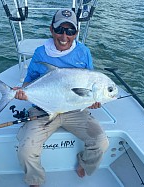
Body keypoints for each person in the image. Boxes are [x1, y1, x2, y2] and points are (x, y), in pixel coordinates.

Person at [15, 9, 109, 187]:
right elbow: (28, 84)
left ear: (76, 33)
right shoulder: (41, 53)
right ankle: (35, 181)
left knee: (101, 142)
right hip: (44, 109)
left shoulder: (83, 52)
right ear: (52, 29)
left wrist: (94, 100)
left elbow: (90, 83)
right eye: (60, 30)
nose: (64, 36)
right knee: (26, 151)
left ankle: (84, 163)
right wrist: (21, 92)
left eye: (70, 31)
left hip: (75, 109)